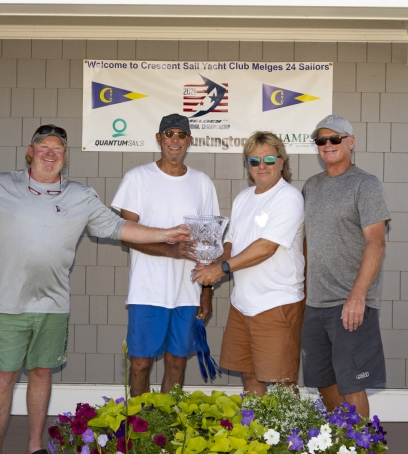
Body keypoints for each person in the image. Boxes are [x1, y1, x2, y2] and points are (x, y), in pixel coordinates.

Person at [0, 124, 189, 454]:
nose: (50, 153)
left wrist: (168, 232)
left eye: (58, 149)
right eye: (43, 147)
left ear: (65, 157)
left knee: (41, 374)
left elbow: (119, 227)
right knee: (3, 377)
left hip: (53, 305)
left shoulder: (80, 196)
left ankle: (35, 446)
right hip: (7, 304)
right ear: (30, 151)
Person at [111, 114, 220, 397]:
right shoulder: (137, 178)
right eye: (168, 134)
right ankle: (138, 430)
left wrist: (206, 293)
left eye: (181, 135)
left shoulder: (202, 182)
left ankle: (167, 426)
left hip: (188, 290)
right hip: (147, 290)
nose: (175, 140)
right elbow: (126, 232)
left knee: (177, 360)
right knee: (140, 363)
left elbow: (208, 242)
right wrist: (170, 250)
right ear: (159, 138)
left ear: (189, 141)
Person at [192, 131, 305, 396]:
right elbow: (231, 243)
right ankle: (256, 435)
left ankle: (289, 437)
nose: (261, 166)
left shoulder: (288, 198)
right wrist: (211, 265)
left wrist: (219, 270)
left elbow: (266, 247)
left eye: (268, 159)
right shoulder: (243, 198)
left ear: (281, 162)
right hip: (242, 303)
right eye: (254, 161)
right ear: (248, 166)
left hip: (276, 303)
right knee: (251, 377)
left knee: (282, 383)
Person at [300, 115, 390, 418]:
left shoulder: (366, 184)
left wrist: (357, 296)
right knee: (323, 382)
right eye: (321, 141)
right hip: (315, 303)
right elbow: (306, 242)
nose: (327, 145)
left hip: (350, 303)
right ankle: (342, 440)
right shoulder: (311, 186)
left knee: (352, 384)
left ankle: (361, 446)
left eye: (335, 139)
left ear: (350, 142)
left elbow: (376, 242)